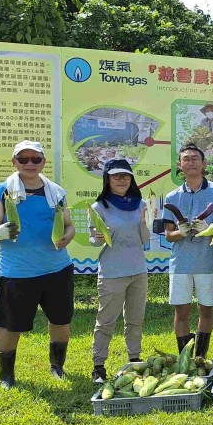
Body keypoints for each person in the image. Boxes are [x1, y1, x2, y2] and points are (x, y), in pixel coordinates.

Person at [0, 140, 75, 389]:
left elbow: (68, 224)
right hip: (19, 271)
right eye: (23, 159)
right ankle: (6, 375)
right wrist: (0, 232)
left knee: (60, 320)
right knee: (10, 324)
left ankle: (57, 366)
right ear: (13, 162)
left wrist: (68, 235)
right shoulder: (2, 191)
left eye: (35, 159)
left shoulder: (56, 191)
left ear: (43, 162)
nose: (29, 164)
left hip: (57, 268)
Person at [162, 143, 213, 358]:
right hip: (180, 263)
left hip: (207, 262)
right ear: (179, 165)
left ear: (203, 163)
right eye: (186, 159)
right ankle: (184, 356)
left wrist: (207, 230)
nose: (190, 162)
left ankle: (200, 356)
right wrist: (182, 232)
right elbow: (169, 235)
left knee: (206, 309)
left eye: (195, 158)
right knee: (181, 311)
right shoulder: (172, 197)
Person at [88, 159, 149, 383]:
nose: (122, 180)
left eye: (125, 175)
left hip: (138, 270)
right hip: (112, 273)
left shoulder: (140, 204)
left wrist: (143, 222)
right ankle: (98, 367)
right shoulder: (98, 207)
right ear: (107, 179)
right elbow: (94, 242)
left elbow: (144, 239)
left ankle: (134, 361)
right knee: (106, 321)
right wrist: (96, 237)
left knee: (135, 320)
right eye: (116, 176)